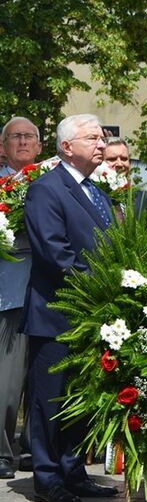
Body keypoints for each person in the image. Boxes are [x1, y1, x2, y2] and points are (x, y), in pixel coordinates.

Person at [23, 114, 117, 502]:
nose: (102, 144)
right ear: (67, 147)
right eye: (93, 138)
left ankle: (73, 470)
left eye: (102, 138)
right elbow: (54, 252)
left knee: (80, 397)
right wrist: (100, 285)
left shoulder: (97, 191)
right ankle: (46, 477)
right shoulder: (46, 190)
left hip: (90, 315)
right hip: (57, 314)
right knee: (50, 399)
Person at [0, 117, 42, 480]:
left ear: (41, 147)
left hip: (47, 289)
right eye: (16, 137)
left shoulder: (52, 182)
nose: (23, 142)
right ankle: (2, 450)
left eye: (30, 137)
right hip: (10, 290)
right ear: (3, 146)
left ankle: (34, 447)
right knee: (7, 379)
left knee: (40, 375)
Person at [100, 137, 147, 216]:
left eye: (124, 159)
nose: (120, 164)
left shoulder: (142, 198)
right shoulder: (96, 196)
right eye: (112, 159)